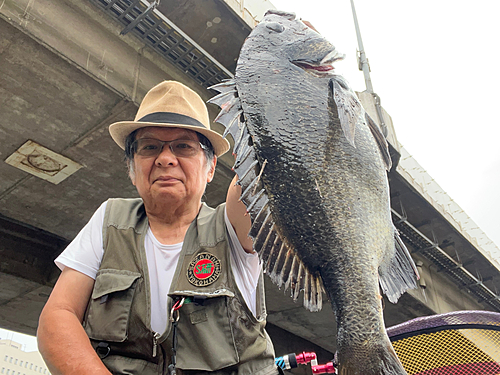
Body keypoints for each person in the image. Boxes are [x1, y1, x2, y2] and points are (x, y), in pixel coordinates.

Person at [37, 81, 278, 375]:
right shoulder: (109, 219)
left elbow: (266, 163)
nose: (165, 158)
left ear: (211, 167)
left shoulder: (233, 224)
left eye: (184, 146)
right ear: (131, 168)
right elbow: (58, 317)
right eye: (149, 147)